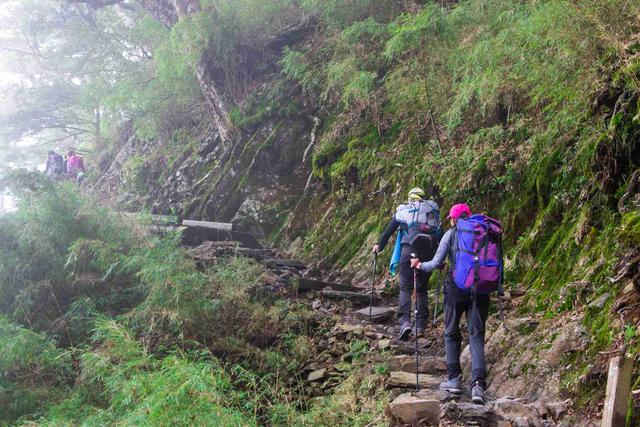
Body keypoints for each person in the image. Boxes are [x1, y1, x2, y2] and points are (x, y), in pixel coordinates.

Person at [410, 203, 491, 405]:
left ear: (455, 219)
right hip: (481, 290)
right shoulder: (485, 232)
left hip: (456, 290)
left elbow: (436, 263)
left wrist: (420, 265)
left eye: (451, 218)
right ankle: (478, 387)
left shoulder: (452, 233)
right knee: (476, 336)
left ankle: (454, 379)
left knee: (451, 332)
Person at [373, 187, 441, 341]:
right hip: (428, 252)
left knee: (405, 287)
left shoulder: (405, 210)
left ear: (410, 198)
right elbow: (439, 234)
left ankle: (405, 322)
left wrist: (379, 245)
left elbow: (389, 230)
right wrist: (440, 259)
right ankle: (420, 326)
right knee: (422, 290)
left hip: (407, 250)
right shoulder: (432, 211)